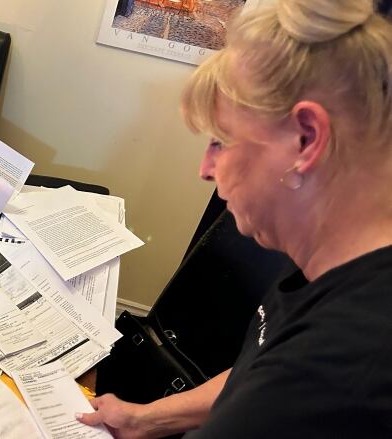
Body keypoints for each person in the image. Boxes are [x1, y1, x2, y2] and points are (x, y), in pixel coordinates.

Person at [77, 0, 392, 437]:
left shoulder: (334, 376)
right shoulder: (334, 267)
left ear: (306, 140)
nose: (206, 169)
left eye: (221, 141)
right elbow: (257, 363)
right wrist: (145, 419)